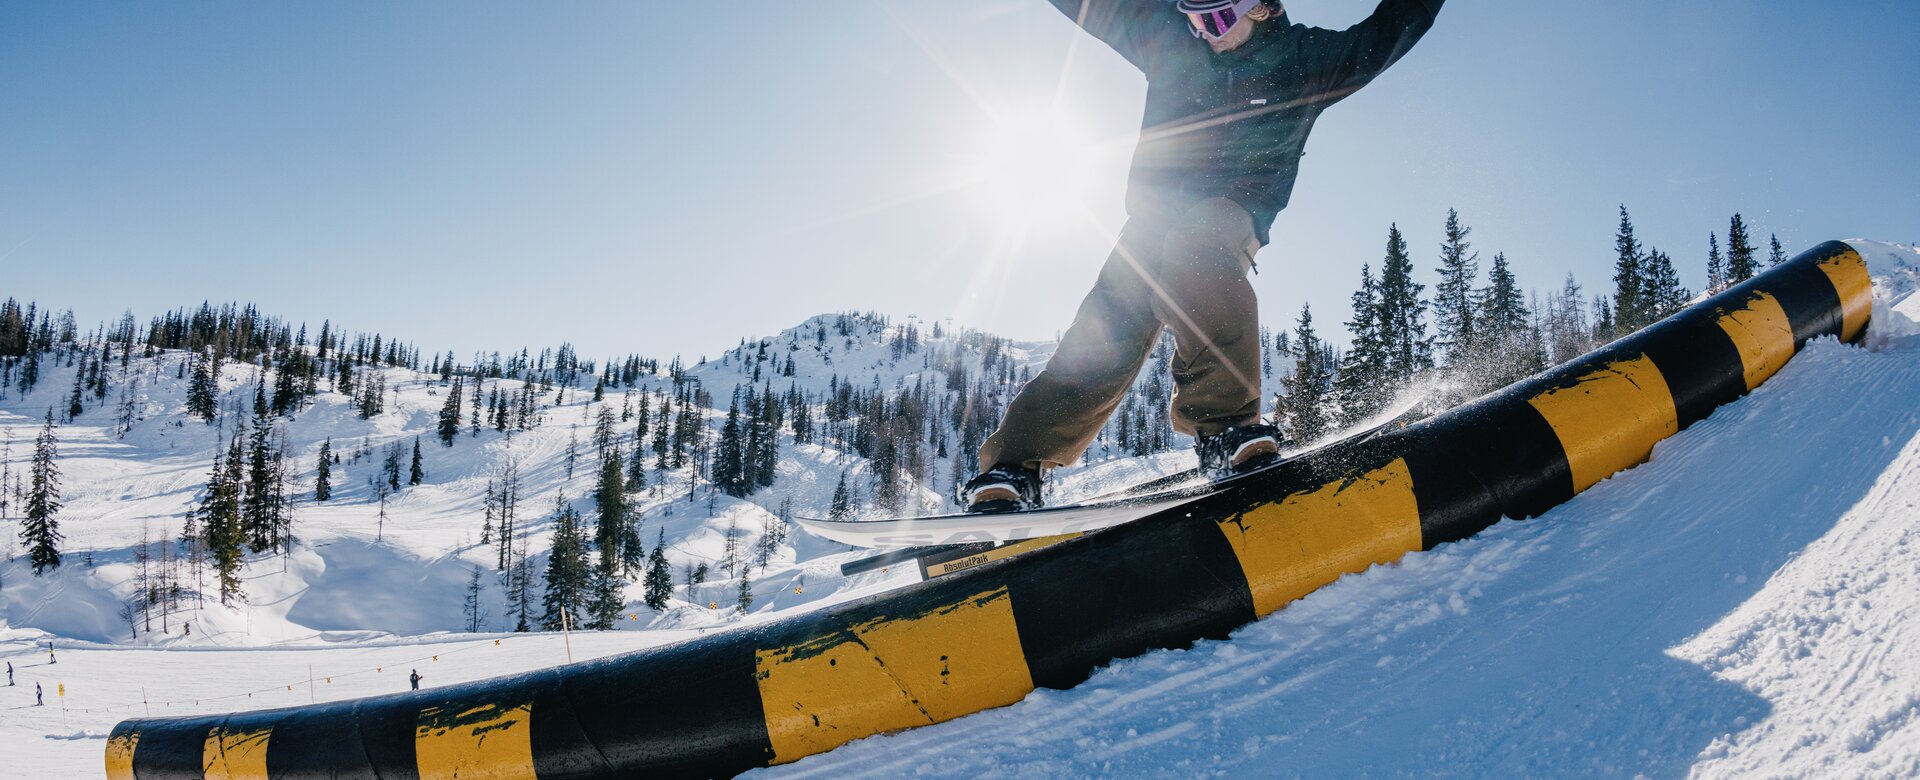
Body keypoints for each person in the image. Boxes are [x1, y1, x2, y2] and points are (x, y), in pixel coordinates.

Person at [963, 0, 1443, 512]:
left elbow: (1393, 27)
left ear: (1259, 7)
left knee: (1194, 249)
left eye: (1214, 19)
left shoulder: (1308, 61)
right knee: (1106, 325)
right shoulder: (1172, 43)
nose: (1202, 33)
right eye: (1192, 18)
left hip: (1232, 209)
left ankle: (1226, 430)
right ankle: (1016, 465)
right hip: (1154, 217)